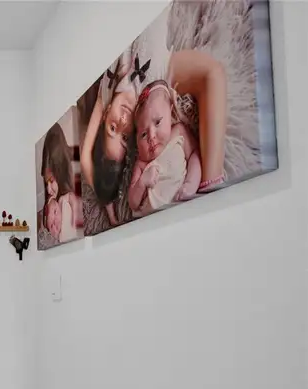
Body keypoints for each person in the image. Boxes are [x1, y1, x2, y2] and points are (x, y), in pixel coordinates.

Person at [79, 4, 228, 225]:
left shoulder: (105, 95)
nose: (122, 123)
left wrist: (108, 208)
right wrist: (210, 186)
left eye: (112, 130)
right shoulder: (155, 91)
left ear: (104, 117)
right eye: (126, 137)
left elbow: (84, 158)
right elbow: (211, 74)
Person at [126, 81, 201, 217]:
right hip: (150, 222)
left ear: (171, 112)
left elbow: (195, 155)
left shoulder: (179, 132)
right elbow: (133, 202)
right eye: (143, 134)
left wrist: (191, 183)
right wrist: (142, 182)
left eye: (157, 122)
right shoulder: (142, 163)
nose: (151, 136)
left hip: (181, 209)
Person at [40, 123, 83, 243]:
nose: (48, 190)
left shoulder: (64, 190)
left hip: (58, 142)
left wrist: (75, 216)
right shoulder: (54, 200)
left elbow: (72, 199)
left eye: (51, 182)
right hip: (55, 141)